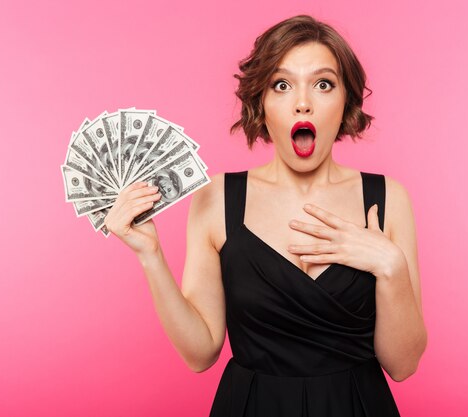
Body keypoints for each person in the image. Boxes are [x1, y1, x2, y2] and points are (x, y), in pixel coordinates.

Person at [104, 14, 427, 417]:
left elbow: (403, 365)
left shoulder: (387, 198)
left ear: (346, 99)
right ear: (261, 102)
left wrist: (390, 266)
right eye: (282, 84)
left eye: (323, 84)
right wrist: (149, 254)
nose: (303, 102)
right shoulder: (216, 198)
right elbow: (200, 353)